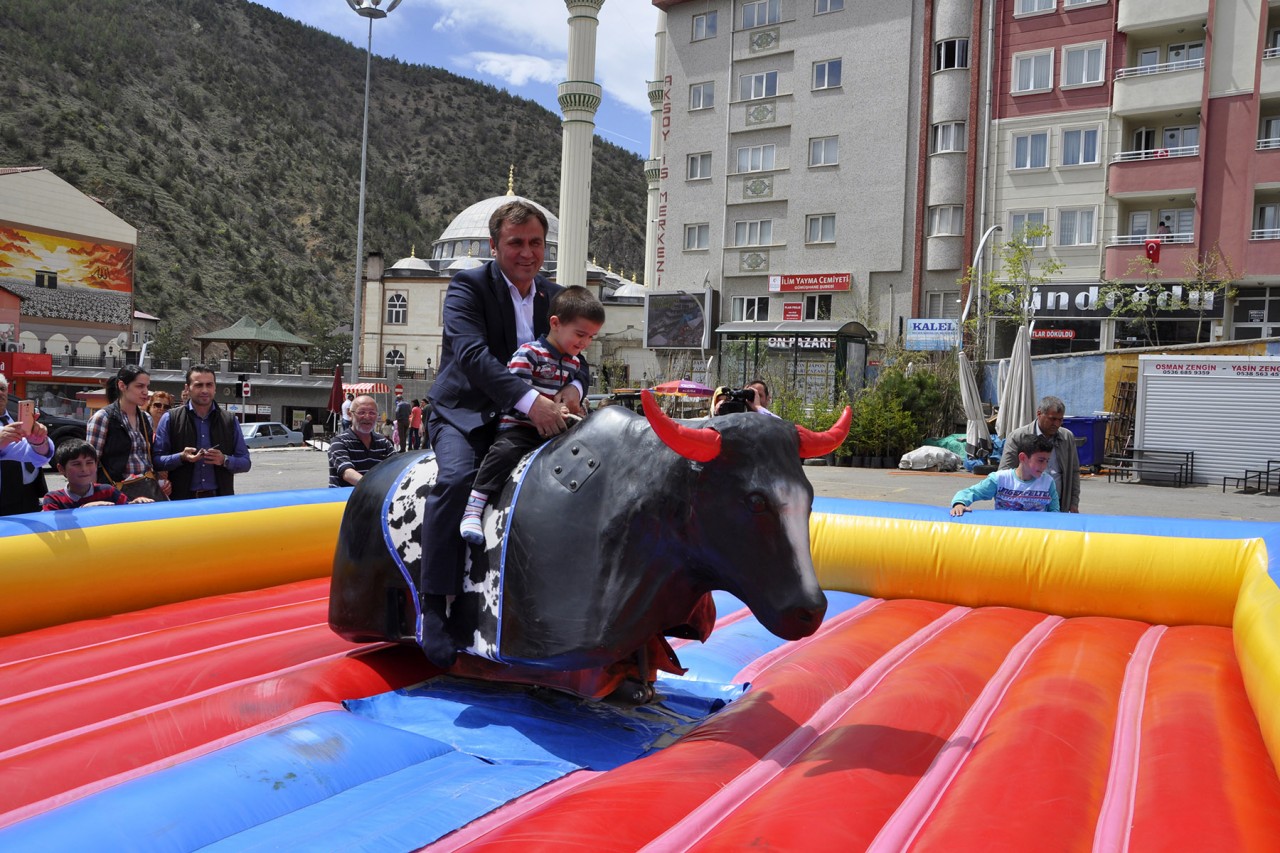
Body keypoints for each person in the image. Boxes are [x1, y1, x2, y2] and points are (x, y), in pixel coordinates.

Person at [422, 199, 590, 668]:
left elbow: (581, 353)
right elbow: (473, 356)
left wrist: (574, 388)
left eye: (536, 242)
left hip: (535, 420)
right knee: (456, 480)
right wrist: (530, 401)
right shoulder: (466, 287)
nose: (527, 252)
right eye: (515, 243)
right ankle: (434, 605)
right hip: (465, 413)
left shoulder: (555, 297)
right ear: (494, 246)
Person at [460, 285, 604, 544]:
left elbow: (575, 395)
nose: (585, 343)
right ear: (556, 323)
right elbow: (513, 395)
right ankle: (474, 506)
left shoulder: (574, 362)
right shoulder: (529, 354)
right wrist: (545, 406)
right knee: (503, 453)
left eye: (591, 337)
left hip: (558, 431)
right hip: (521, 428)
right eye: (581, 334)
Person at [152, 364, 252, 499]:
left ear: (215, 388)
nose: (205, 390)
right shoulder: (171, 418)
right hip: (183, 502)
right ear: (187, 388)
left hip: (219, 500)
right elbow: (156, 461)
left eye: (209, 385)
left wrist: (224, 460)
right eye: (199, 385)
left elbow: (245, 462)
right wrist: (181, 457)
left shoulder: (229, 420)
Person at [87, 365, 170, 501]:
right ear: (122, 385)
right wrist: (94, 498)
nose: (145, 392)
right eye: (139, 386)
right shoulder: (103, 418)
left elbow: (148, 459)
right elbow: (90, 463)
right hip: (117, 495)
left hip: (148, 490)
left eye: (146, 387)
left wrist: (160, 480)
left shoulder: (145, 418)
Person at [998, 395, 1080, 513]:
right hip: (1025, 506)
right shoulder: (1018, 437)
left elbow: (1074, 472)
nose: (1057, 424)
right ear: (1039, 414)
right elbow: (1004, 473)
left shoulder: (1067, 437)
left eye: (1060, 420)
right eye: (1052, 419)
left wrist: (1073, 503)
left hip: (1059, 505)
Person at [951, 433, 1059, 515]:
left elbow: (1055, 513)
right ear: (1023, 458)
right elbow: (971, 492)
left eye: (1047, 461)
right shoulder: (1000, 479)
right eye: (1040, 460)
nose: (1044, 466)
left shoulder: (1048, 483)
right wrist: (959, 503)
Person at [42, 439, 153, 510]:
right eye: (76, 464)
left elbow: (126, 511)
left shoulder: (108, 491)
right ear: (61, 469)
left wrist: (137, 503)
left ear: (96, 465)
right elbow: (53, 525)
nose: (84, 469)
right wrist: (84, 510)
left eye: (89, 463)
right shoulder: (53, 499)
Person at [0, 371, 54, 514]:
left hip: (28, 494)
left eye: (2, 389)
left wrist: (40, 441)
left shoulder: (18, 418)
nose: (0, 393)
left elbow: (36, 455)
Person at [328, 394, 394, 487]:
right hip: (344, 499)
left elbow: (397, 467)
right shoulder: (339, 442)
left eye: (372, 413)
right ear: (350, 415)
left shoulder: (384, 442)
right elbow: (347, 473)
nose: (367, 417)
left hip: (375, 497)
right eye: (361, 412)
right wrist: (374, 487)